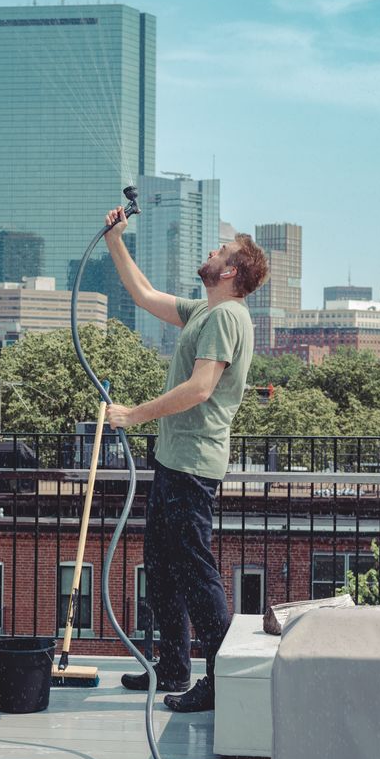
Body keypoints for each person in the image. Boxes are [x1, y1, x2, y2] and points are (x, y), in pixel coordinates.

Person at [101, 205, 269, 713]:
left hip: (193, 465)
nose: (211, 252)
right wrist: (115, 240)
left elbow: (199, 389)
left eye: (220, 251)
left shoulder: (224, 317)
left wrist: (134, 414)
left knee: (196, 570)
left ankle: (219, 680)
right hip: (176, 461)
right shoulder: (205, 310)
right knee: (163, 566)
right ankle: (173, 666)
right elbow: (145, 296)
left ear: (232, 271)